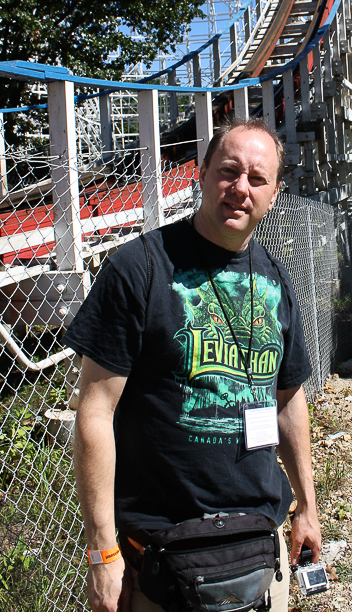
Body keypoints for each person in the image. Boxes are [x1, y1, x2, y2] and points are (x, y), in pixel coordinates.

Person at [64, 117, 322, 612]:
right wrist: (102, 550)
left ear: (273, 194)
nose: (240, 188)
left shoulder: (273, 275)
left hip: (257, 544)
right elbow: (94, 410)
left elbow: (289, 398)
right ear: (200, 175)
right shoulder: (138, 267)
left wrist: (307, 507)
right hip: (163, 554)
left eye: (257, 178)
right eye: (228, 171)